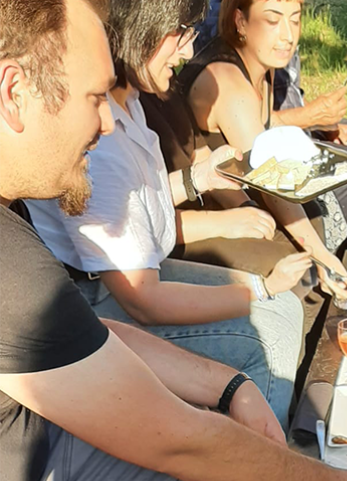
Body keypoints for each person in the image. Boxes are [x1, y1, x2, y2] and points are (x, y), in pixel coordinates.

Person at [0, 1, 347, 481]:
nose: (105, 121)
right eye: (94, 98)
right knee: (190, 462)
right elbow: (178, 443)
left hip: (37, 448)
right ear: (15, 91)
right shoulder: (11, 265)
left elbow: (88, 335)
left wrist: (228, 384)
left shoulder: (15, 221)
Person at [26, 0, 311, 431]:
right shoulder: (102, 140)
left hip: (135, 274)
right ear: (142, 30)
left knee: (287, 310)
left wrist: (198, 179)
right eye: (181, 34)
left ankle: (266, 446)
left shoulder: (131, 102)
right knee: (269, 334)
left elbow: (139, 203)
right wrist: (259, 288)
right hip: (98, 303)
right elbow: (143, 301)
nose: (187, 51)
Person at [177, 0, 347, 296]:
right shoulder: (228, 82)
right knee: (303, 255)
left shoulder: (263, 67)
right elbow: (269, 182)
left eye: (295, 20)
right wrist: (321, 256)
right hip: (201, 217)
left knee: (317, 215)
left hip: (243, 194)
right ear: (240, 22)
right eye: (273, 21)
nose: (288, 36)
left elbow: (262, 134)